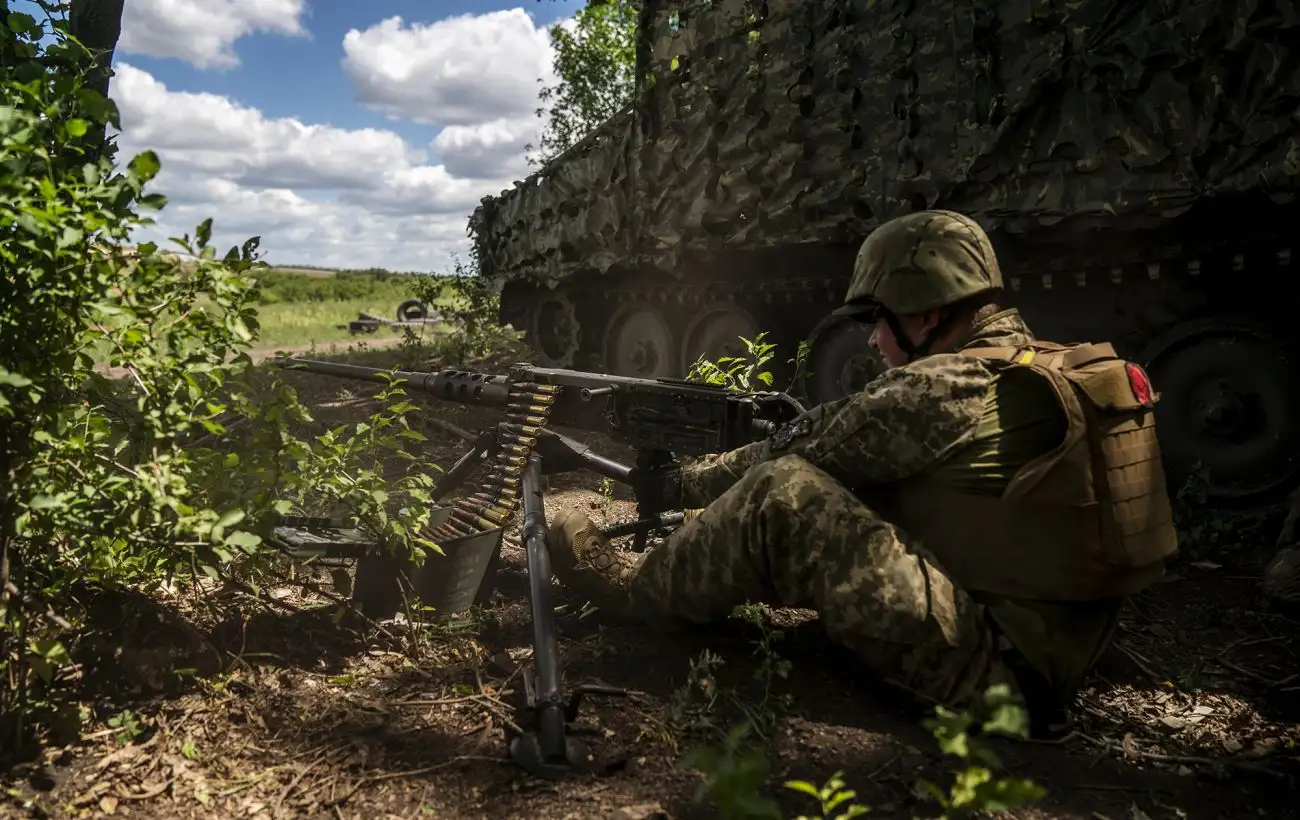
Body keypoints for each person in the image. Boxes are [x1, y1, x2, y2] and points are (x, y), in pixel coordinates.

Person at [545, 210, 1180, 734]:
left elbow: (798, 452)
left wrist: (680, 485)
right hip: (1058, 649)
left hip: (1001, 679)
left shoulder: (946, 384)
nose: (874, 341)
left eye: (880, 319)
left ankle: (633, 592)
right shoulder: (1052, 363)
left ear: (927, 316)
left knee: (781, 494)